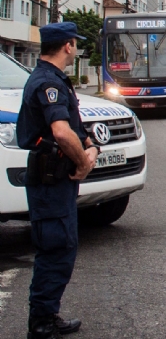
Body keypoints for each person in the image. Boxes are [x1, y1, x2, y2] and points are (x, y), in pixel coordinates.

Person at [17, 22, 100, 339]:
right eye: (74, 43)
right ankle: (41, 324)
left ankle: (48, 315)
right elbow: (61, 132)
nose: (76, 47)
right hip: (51, 180)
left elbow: (75, 127)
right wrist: (83, 163)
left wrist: (89, 147)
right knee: (55, 249)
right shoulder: (47, 83)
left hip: (57, 181)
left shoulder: (54, 80)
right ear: (68, 46)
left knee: (62, 247)